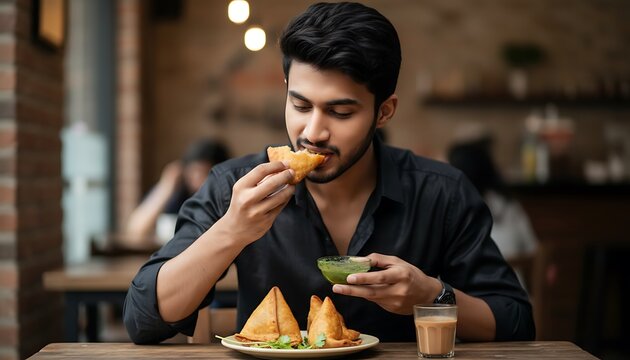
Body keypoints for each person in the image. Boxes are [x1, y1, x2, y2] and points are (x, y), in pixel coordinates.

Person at [123, 2, 535, 344]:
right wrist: (231, 230)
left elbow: (517, 323)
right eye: (300, 106)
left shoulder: (441, 192)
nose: (313, 132)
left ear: (384, 111)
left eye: (340, 112)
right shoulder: (233, 186)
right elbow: (143, 320)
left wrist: (433, 296)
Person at [448, 136, 538, 288]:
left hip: (469, 303)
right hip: (516, 295)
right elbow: (533, 249)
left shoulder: (453, 206)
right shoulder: (507, 203)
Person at [124, 139, 230, 244]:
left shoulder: (225, 199)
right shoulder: (177, 194)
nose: (197, 179)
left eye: (203, 172)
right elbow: (136, 230)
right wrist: (166, 186)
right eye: (192, 172)